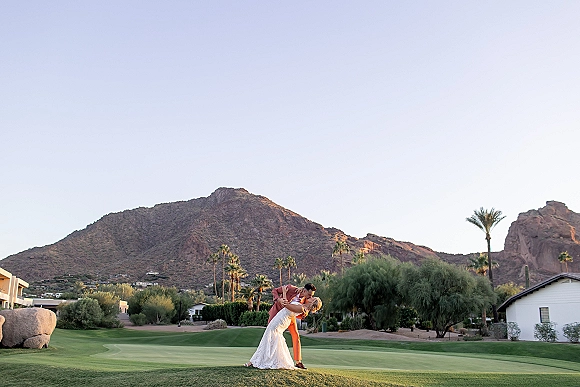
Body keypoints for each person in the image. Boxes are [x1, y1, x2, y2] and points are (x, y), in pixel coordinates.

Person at [245, 291, 322, 369]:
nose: (311, 297)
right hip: (281, 317)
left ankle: (259, 361)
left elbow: (286, 305)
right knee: (270, 336)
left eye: (313, 298)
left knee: (270, 334)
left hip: (282, 320)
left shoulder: (302, 308)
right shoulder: (303, 305)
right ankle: (258, 360)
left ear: (313, 302)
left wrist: (284, 292)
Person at [268, 283, 316, 369]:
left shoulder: (306, 300)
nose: (310, 297)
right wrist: (279, 300)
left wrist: (305, 311)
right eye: (309, 295)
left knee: (296, 336)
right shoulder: (291, 288)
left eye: (311, 296)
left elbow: (303, 312)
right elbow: (274, 291)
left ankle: (298, 361)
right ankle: (268, 358)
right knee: (270, 334)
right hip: (277, 313)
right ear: (304, 291)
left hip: (290, 318)